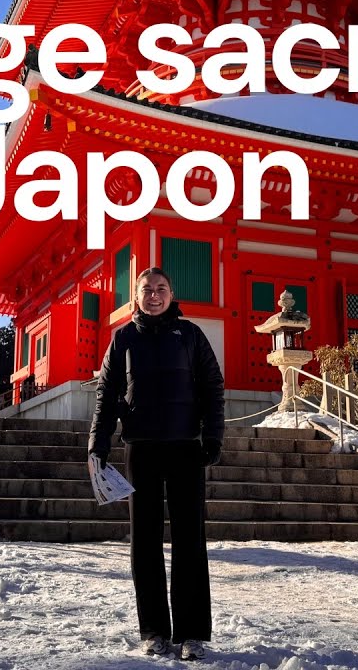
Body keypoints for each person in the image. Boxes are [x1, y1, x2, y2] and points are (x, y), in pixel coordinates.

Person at [89, 267, 225, 662]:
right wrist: (97, 445)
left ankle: (192, 633)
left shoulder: (191, 335)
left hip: (186, 447)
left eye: (161, 289)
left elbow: (213, 388)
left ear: (172, 293)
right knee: (144, 541)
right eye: (146, 290)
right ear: (136, 296)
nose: (154, 295)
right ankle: (153, 630)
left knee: (190, 541)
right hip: (141, 448)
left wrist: (213, 436)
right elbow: (106, 394)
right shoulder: (124, 339)